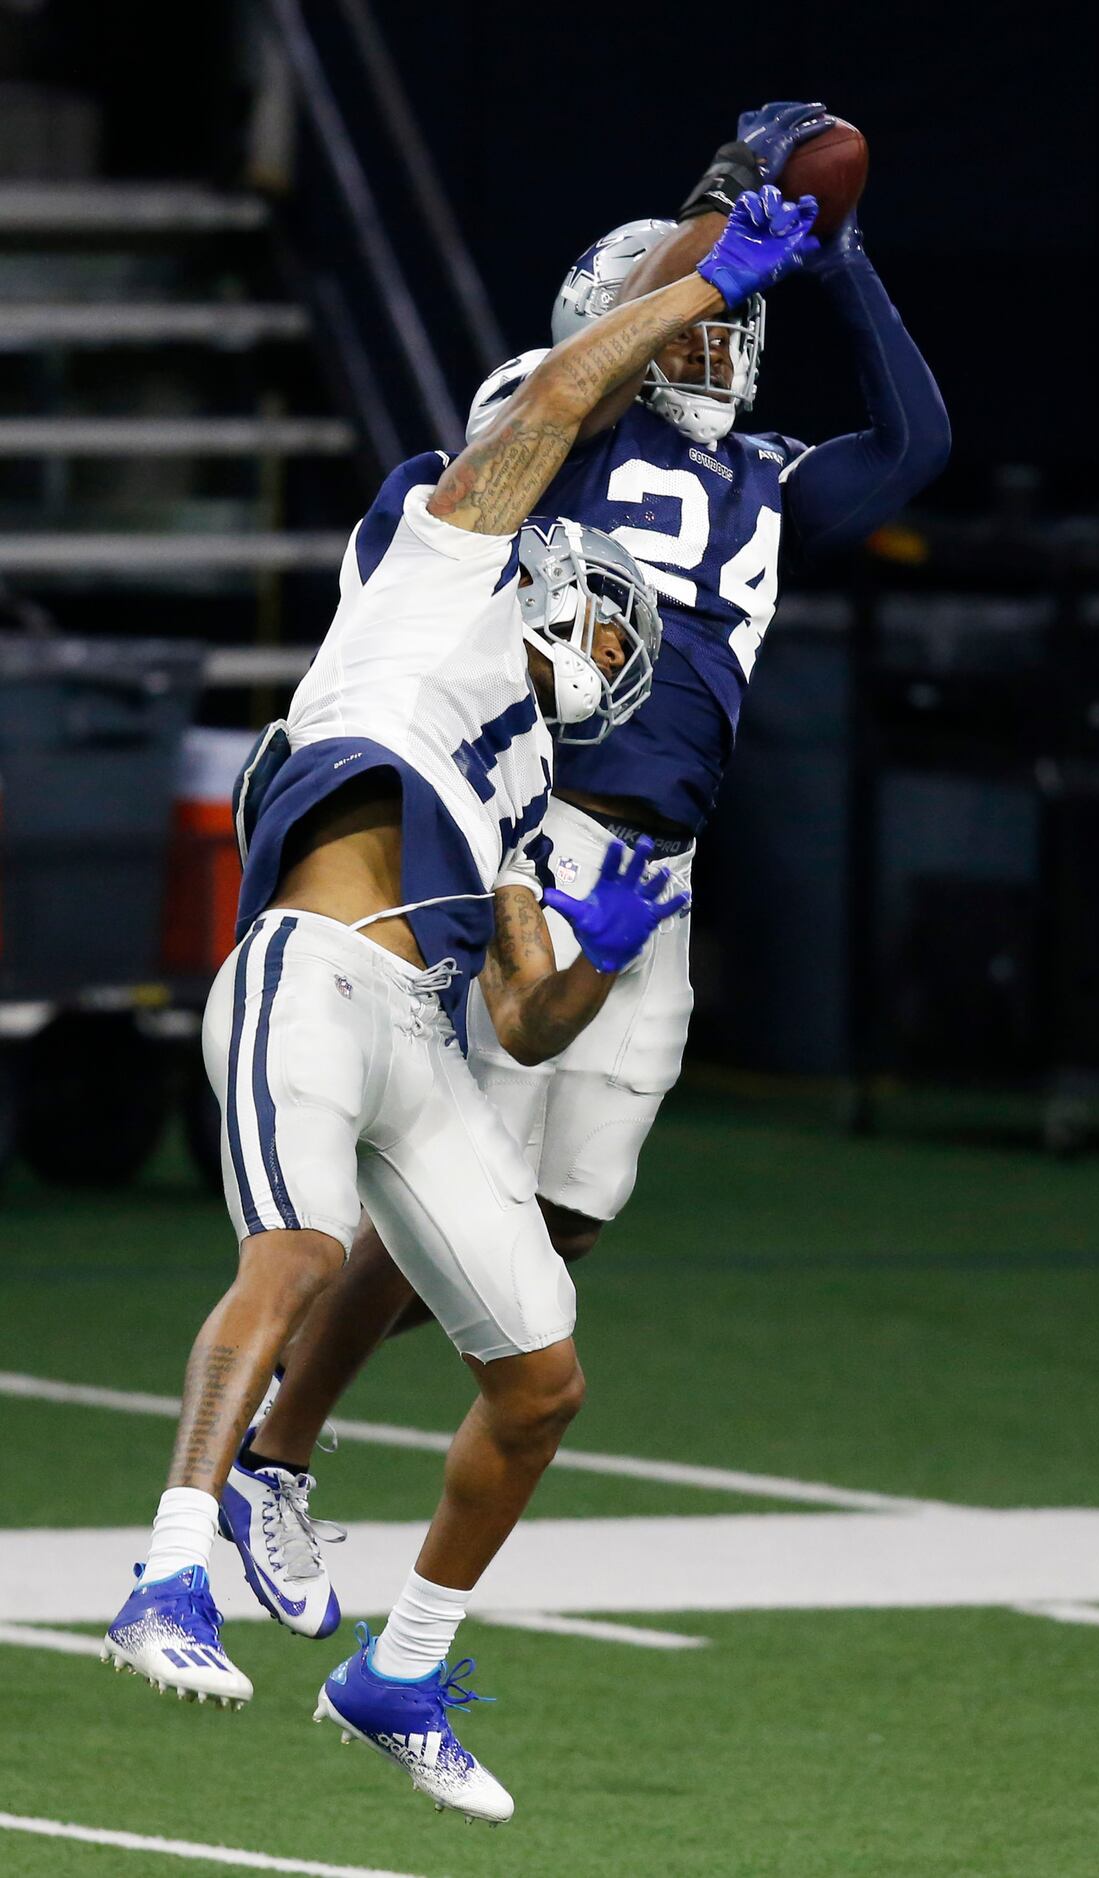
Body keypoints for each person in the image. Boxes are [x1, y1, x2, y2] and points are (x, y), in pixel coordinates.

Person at [101, 180, 824, 1827]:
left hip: (423, 1028)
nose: (601, 629)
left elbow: (528, 1013)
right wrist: (706, 263)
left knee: (546, 1376)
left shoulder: (518, 761)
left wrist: (598, 942)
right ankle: (168, 1570)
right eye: (590, 607)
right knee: (287, 1256)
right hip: (306, 973)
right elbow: (566, 396)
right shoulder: (436, 563)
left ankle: (404, 1668)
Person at [223, 102, 952, 1528]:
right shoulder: (560, 425)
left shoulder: (769, 482)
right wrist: (722, 210)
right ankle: (275, 1448)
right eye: (689, 321)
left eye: (733, 321)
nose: (717, 341)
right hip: (532, 835)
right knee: (469, 1175)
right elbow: (591, 368)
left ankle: (292, 1397)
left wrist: (842, 261)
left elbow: (915, 442)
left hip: (659, 876)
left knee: (560, 1222)